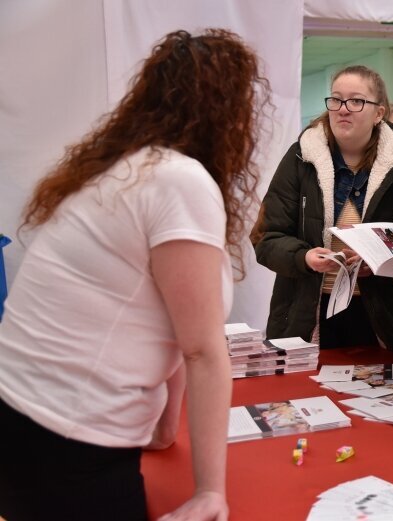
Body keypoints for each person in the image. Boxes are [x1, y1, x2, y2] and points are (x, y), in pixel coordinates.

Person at [0, 29, 267, 520]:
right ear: (228, 114)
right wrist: (210, 491)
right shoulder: (178, 180)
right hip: (70, 439)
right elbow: (201, 349)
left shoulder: (121, 169)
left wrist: (164, 429)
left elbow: (157, 319)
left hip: (23, 417)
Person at [255, 65, 393, 350]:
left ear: (379, 113)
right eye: (336, 99)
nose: (343, 109)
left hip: (377, 317)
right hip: (307, 314)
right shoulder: (299, 159)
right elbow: (266, 239)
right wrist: (305, 257)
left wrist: (379, 262)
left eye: (356, 101)